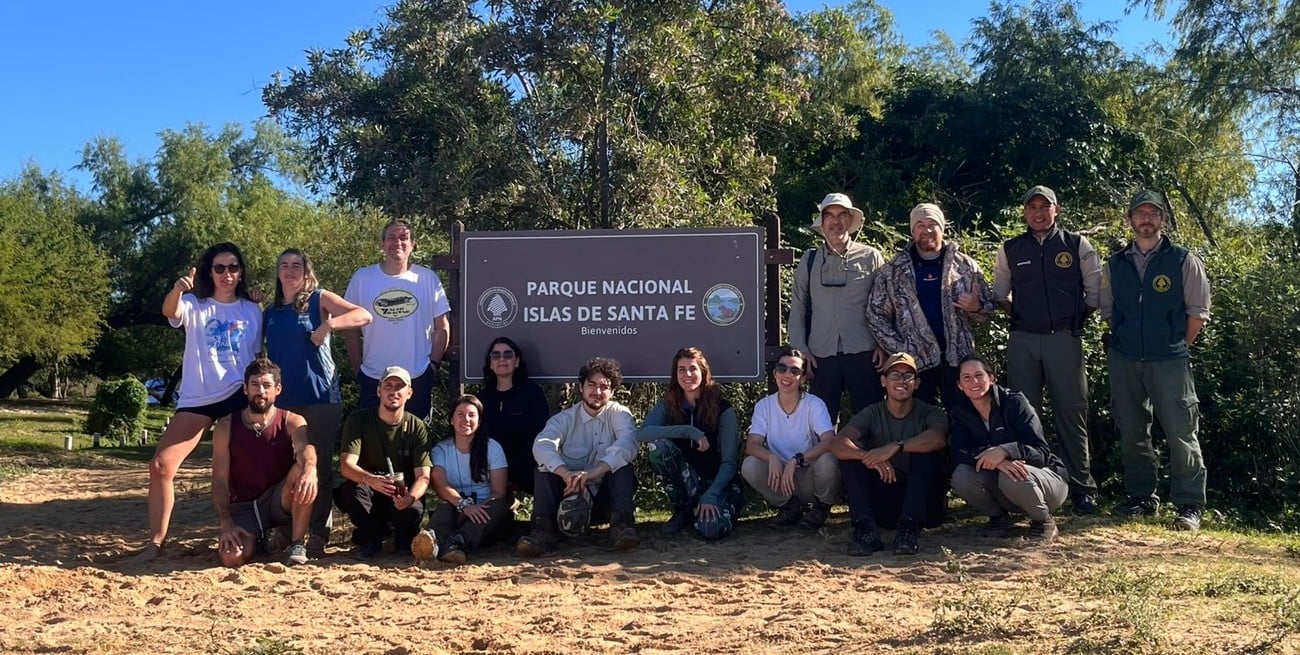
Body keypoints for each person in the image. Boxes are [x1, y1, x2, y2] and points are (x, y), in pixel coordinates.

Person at [136, 242, 262, 562]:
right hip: (198, 398)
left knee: (242, 472)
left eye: (233, 267)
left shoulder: (252, 309)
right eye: (219, 268)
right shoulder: (194, 303)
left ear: (241, 272)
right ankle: (156, 542)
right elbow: (170, 312)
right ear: (209, 271)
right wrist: (177, 289)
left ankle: (261, 532)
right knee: (161, 466)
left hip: (238, 395)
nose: (226, 274)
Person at [1101, 189, 1211, 531]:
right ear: (1129, 220)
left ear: (1162, 219)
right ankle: (1141, 498)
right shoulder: (1115, 263)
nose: (1146, 219)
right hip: (1125, 357)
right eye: (1140, 214)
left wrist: (1174, 344)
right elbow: (1108, 311)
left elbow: (1198, 313)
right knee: (1132, 430)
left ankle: (1189, 504)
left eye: (1153, 213)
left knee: (1181, 431)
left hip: (1170, 360)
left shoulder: (1182, 259)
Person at [993, 185, 1102, 515]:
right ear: (1024, 213)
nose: (1038, 212)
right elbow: (1000, 294)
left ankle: (1082, 489)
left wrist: (1070, 321)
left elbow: (1095, 292)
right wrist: (1026, 318)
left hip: (1064, 340)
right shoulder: (1010, 248)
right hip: (1023, 339)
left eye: (1045, 206)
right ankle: (1030, 486)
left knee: (1071, 412)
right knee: (1025, 416)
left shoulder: (1076, 244)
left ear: (1057, 210)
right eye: (1032, 207)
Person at [263, 248, 372, 555]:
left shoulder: (318, 299)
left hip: (320, 398)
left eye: (296, 265)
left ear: (306, 271)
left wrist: (329, 326)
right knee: (288, 466)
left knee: (319, 465)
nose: (290, 270)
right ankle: (286, 530)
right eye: (284, 265)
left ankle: (318, 533)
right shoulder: (270, 312)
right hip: (283, 402)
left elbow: (363, 315)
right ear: (278, 272)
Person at [867, 203, 994, 409]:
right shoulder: (893, 270)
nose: (926, 230)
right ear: (912, 230)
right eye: (920, 224)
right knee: (921, 424)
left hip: (958, 359)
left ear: (942, 228)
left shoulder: (965, 266)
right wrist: (901, 349)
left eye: (933, 224)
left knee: (963, 419)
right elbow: (876, 315)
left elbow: (988, 313)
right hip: (916, 363)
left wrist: (976, 306)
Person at [517, 357, 640, 556]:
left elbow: (629, 444)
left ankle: (621, 527)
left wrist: (592, 473)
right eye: (591, 385)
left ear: (613, 392)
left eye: (604, 387)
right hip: (566, 493)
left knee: (623, 466)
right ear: (581, 387)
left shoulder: (620, 414)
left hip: (603, 498)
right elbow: (542, 445)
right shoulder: (564, 419)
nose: (597, 392)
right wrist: (566, 474)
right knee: (543, 469)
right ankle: (542, 532)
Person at [829, 352, 948, 556]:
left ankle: (909, 528)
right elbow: (838, 443)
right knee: (851, 459)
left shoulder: (930, 412)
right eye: (895, 375)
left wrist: (897, 446)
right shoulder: (872, 412)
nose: (901, 381)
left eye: (907, 376)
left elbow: (937, 438)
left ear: (916, 383)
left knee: (925, 454)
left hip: (924, 502)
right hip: (885, 498)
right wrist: (869, 458)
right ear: (884, 381)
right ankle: (865, 529)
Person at [787, 193, 887, 425]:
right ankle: (823, 463)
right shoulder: (809, 260)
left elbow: (885, 304)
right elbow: (798, 307)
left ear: (850, 221)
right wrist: (801, 351)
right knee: (821, 423)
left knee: (872, 420)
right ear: (822, 222)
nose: (835, 221)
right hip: (821, 355)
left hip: (865, 352)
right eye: (829, 215)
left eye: (842, 215)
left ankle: (873, 462)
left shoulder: (871, 256)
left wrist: (883, 344)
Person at [949, 355, 1068, 543]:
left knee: (1011, 473)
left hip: (1047, 484)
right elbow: (958, 452)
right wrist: (998, 460)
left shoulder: (1015, 402)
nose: (974, 382)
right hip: (1006, 489)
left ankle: (1044, 522)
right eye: (967, 377)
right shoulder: (960, 412)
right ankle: (999, 519)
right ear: (959, 385)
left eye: (979, 375)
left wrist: (1006, 450)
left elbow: (1041, 452)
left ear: (992, 378)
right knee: (961, 475)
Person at [211, 357, 318, 567]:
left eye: (267, 385)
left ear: (278, 389)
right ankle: (262, 541)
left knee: (302, 470)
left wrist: (311, 469)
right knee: (231, 558)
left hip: (280, 499)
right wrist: (226, 523)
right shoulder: (226, 426)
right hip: (243, 506)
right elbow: (220, 480)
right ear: (245, 389)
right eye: (254, 385)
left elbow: (305, 448)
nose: (261, 391)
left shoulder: (291, 421)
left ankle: (297, 543)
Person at [345, 219, 451, 423]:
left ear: (413, 244)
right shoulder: (363, 278)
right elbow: (350, 329)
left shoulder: (427, 278)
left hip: (416, 375)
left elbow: (442, 328)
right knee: (372, 447)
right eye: (391, 237)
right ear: (382, 244)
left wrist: (433, 367)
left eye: (404, 237)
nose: (398, 243)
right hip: (374, 376)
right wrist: (358, 369)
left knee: (414, 446)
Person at [637, 347, 743, 539]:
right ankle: (684, 509)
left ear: (703, 371)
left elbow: (730, 462)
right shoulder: (668, 404)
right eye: (681, 369)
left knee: (711, 529)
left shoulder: (723, 408)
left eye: (693, 369)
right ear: (675, 374)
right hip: (688, 482)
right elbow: (643, 433)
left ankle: (711, 507)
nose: (687, 374)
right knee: (658, 446)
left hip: (717, 483)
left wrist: (712, 493)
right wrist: (688, 431)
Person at [333, 366, 433, 559]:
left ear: (409, 393)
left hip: (400, 493)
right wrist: (371, 480)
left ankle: (402, 540)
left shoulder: (417, 427)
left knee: (412, 509)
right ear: (379, 390)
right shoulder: (358, 420)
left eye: (399, 387)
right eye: (388, 386)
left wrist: (409, 498)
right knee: (352, 492)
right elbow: (346, 466)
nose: (393, 391)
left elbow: (424, 477)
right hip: (370, 489)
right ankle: (371, 539)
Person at [739, 347, 839, 530]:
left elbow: (829, 440)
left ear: (802, 377)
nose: (787, 374)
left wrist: (797, 459)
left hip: (810, 476)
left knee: (828, 460)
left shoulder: (814, 404)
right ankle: (788, 507)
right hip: (780, 479)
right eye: (782, 368)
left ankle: (821, 507)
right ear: (775, 373)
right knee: (750, 465)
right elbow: (752, 445)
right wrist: (771, 457)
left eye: (794, 370)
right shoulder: (764, 406)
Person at [413, 395, 513, 565]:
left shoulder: (493, 448)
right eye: (460, 414)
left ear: (479, 421)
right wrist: (464, 506)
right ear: (451, 420)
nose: (466, 419)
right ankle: (429, 542)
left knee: (498, 504)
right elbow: (440, 485)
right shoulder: (441, 450)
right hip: (457, 504)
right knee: (445, 507)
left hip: (486, 508)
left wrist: (475, 510)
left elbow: (499, 491)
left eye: (471, 415)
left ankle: (458, 542)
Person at [474, 337, 550, 496]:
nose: (502, 359)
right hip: (491, 466)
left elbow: (541, 433)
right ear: (490, 363)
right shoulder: (482, 397)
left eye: (508, 355)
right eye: (496, 355)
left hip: (527, 465)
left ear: (516, 361)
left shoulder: (532, 393)